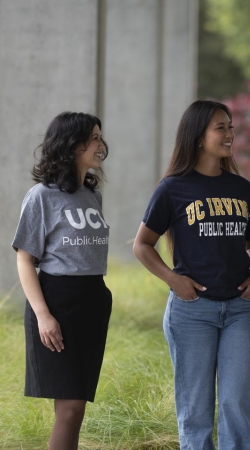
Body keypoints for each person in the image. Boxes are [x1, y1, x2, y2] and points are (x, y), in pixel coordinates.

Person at [133, 100, 250, 450]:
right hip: (192, 312)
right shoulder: (172, 188)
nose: (229, 134)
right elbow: (142, 245)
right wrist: (173, 280)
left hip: (239, 310)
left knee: (237, 402)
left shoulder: (241, 188)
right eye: (220, 128)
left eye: (230, 126)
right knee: (195, 409)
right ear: (198, 137)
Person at [12, 112, 112, 450]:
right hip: (58, 301)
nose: (102, 145)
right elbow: (25, 259)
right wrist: (44, 315)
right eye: (94, 138)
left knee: (77, 406)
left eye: (100, 137)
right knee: (69, 407)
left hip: (93, 300)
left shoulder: (91, 195)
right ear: (72, 145)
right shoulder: (41, 196)